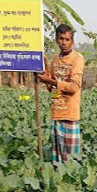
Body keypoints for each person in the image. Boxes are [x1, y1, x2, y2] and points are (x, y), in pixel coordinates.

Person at [37, 24, 85, 163]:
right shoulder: (55, 60)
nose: (64, 42)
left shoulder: (77, 59)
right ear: (56, 40)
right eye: (61, 39)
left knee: (71, 160)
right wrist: (44, 77)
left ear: (72, 41)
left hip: (70, 114)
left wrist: (50, 80)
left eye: (67, 39)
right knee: (58, 159)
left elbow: (74, 87)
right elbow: (52, 89)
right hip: (57, 113)